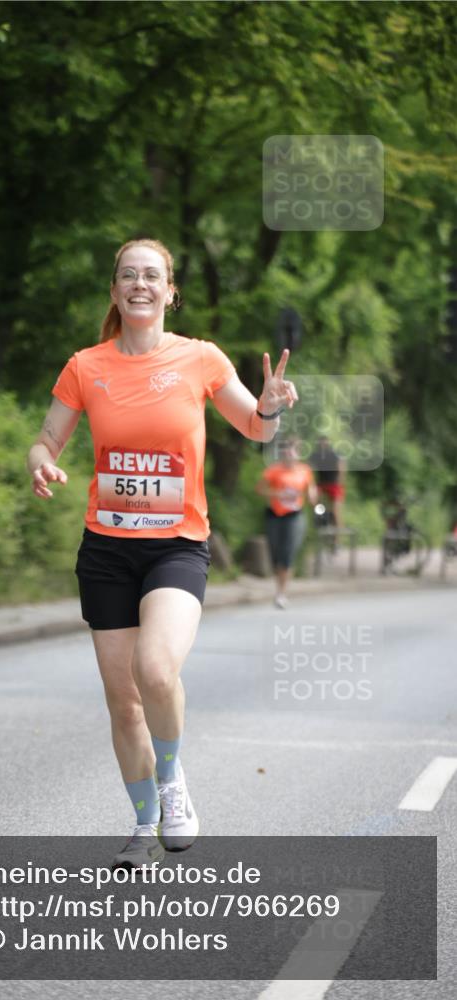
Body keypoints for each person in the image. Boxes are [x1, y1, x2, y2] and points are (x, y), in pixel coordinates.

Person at [27, 238, 297, 869]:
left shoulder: (199, 359)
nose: (140, 285)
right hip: (107, 550)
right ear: (115, 290)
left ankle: (172, 784)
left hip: (176, 546)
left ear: (170, 291)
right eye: (129, 276)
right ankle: (143, 826)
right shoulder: (85, 366)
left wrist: (270, 408)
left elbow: (254, 427)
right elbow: (46, 440)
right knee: (123, 700)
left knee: (155, 670)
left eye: (152, 276)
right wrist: (42, 466)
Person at [256, 437, 317, 608]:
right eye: (285, 451)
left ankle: (281, 593)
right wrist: (277, 494)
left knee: (287, 553)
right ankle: (278, 585)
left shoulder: (305, 471)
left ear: (298, 454)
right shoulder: (274, 470)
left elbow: (311, 490)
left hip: (294, 516)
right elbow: (260, 489)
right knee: (275, 553)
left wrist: (313, 497)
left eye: (292, 451)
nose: (288, 454)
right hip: (275, 515)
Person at [309, 435, 346, 531]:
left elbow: (341, 467)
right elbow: (308, 468)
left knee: (335, 511)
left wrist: (340, 482)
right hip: (321, 484)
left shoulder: (334, 455)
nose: (322, 445)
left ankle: (337, 540)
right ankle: (322, 518)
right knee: (314, 501)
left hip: (334, 484)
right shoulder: (315, 455)